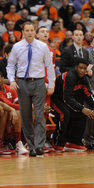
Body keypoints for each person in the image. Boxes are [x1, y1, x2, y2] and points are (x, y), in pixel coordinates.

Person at [6, 21, 55, 157]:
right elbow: (10, 65)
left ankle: (39, 146)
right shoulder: (16, 47)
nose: (29, 32)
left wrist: (51, 84)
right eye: (26, 30)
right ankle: (31, 146)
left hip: (39, 82)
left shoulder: (43, 46)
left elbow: (50, 66)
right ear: (23, 32)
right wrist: (11, 80)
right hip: (22, 82)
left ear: (35, 32)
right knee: (26, 116)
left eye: (31, 30)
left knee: (39, 115)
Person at [51, 58, 94, 152]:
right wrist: (82, 108)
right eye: (80, 68)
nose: (82, 70)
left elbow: (88, 94)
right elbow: (67, 97)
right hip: (55, 99)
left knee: (81, 114)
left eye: (84, 68)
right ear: (76, 67)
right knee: (65, 113)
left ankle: (73, 142)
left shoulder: (84, 79)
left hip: (66, 100)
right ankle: (58, 143)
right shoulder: (70, 76)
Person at [36, 26, 56, 153]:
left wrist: (51, 84)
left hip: (47, 84)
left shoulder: (51, 50)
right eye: (42, 31)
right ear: (37, 35)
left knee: (44, 113)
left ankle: (41, 143)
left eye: (46, 31)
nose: (45, 33)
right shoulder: (33, 48)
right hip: (36, 84)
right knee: (34, 114)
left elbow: (52, 69)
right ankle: (31, 143)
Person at [0, 71, 29, 155]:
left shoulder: (9, 88)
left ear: (2, 79)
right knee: (5, 111)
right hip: (5, 116)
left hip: (12, 117)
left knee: (21, 111)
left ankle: (22, 143)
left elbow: (18, 103)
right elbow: (7, 104)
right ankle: (1, 144)